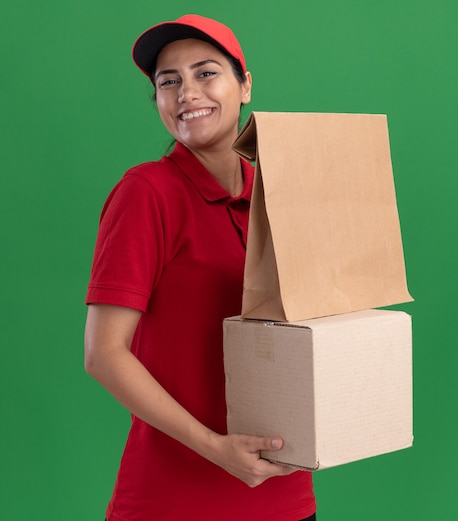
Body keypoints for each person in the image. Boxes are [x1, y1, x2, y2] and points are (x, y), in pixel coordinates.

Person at [84, 14, 316, 521]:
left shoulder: (281, 193)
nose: (187, 92)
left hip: (285, 495)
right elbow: (103, 354)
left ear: (245, 85)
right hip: (174, 501)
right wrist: (216, 447)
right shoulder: (146, 194)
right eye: (169, 82)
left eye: (205, 73)